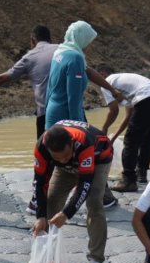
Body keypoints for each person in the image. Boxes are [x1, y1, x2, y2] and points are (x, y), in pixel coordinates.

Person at [0, 24, 120, 212]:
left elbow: (6, 77)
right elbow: (80, 88)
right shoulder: (70, 53)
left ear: (32, 40)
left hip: (48, 110)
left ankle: (47, 199)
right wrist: (80, 123)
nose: (89, 46)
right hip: (68, 114)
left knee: (48, 155)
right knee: (76, 152)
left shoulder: (58, 51)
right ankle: (90, 197)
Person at [44, 21, 120, 209]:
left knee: (56, 156)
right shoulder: (75, 58)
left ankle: (104, 196)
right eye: (89, 40)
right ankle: (98, 197)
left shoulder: (62, 52)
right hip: (66, 114)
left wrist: (111, 89)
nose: (89, 44)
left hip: (53, 111)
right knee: (81, 155)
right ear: (82, 37)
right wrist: (78, 128)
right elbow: (74, 97)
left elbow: (88, 72)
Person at [32, 120, 113, 263]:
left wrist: (66, 214)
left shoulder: (84, 143)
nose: (62, 160)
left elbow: (85, 186)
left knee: (94, 203)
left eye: (66, 156)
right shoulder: (42, 146)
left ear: (71, 144)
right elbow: (40, 182)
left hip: (98, 160)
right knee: (52, 198)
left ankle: (96, 261)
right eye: (58, 158)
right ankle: (48, 255)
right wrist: (40, 216)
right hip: (66, 171)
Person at [95, 65, 150, 192]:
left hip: (147, 99)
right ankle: (142, 174)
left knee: (130, 142)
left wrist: (104, 129)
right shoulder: (125, 82)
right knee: (146, 139)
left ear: (102, 74)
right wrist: (113, 137)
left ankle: (129, 180)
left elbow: (114, 110)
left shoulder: (107, 82)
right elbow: (129, 116)